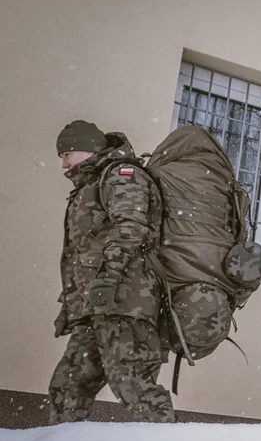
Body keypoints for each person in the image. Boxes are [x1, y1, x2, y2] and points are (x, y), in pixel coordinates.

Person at [50, 120, 175, 423]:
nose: (64, 162)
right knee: (68, 384)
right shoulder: (89, 186)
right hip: (96, 307)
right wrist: (73, 305)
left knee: (132, 382)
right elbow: (83, 253)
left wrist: (109, 277)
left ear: (89, 148)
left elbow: (130, 227)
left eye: (68, 153)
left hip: (126, 302)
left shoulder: (122, 175)